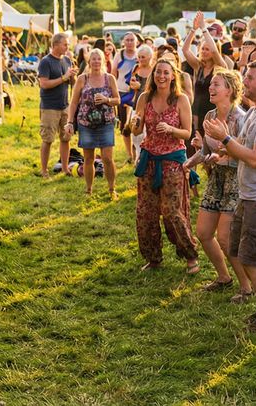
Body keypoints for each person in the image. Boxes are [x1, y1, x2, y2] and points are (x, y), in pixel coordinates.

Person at [203, 59, 256, 333]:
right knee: (238, 251)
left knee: (254, 259)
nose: (245, 81)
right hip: (250, 195)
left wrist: (226, 140)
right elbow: (244, 147)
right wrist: (224, 148)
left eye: (250, 77)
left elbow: (255, 159)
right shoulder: (255, 112)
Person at [130, 58, 198, 274]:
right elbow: (135, 129)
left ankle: (190, 256)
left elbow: (187, 133)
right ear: (153, 75)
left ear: (172, 76)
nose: (161, 76)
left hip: (172, 161)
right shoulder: (145, 97)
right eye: (158, 72)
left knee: (172, 211)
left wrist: (170, 129)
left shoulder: (181, 99)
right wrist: (134, 124)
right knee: (146, 211)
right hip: (149, 159)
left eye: (165, 73)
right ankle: (153, 257)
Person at [187, 67, 249, 295]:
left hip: (236, 179)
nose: (210, 88)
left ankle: (246, 286)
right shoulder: (210, 117)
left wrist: (224, 155)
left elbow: (246, 154)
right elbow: (204, 151)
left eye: (216, 84)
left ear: (230, 90)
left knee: (225, 238)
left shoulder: (242, 119)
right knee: (203, 233)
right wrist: (189, 163)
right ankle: (224, 277)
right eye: (211, 84)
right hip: (216, 179)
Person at [65, 49, 119, 198]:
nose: (96, 61)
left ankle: (111, 189)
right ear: (89, 62)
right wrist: (70, 122)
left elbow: (117, 100)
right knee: (88, 159)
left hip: (106, 123)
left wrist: (106, 100)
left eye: (98, 59)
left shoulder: (110, 79)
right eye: (93, 59)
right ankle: (88, 190)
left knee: (107, 158)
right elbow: (74, 102)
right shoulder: (82, 79)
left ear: (103, 61)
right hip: (86, 124)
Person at [37, 33, 76, 177]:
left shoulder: (67, 60)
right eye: (65, 44)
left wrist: (72, 77)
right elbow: (44, 84)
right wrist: (63, 78)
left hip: (65, 105)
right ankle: (44, 170)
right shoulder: (45, 62)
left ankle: (65, 169)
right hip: (49, 107)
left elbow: (72, 82)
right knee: (48, 139)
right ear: (56, 45)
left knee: (66, 138)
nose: (67, 47)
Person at [112, 33, 140, 162]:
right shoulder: (119, 54)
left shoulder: (139, 55)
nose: (129, 42)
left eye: (132, 40)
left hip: (136, 92)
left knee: (137, 122)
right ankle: (129, 154)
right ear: (123, 41)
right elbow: (113, 73)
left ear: (136, 42)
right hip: (121, 92)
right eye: (127, 40)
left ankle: (137, 152)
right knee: (125, 124)